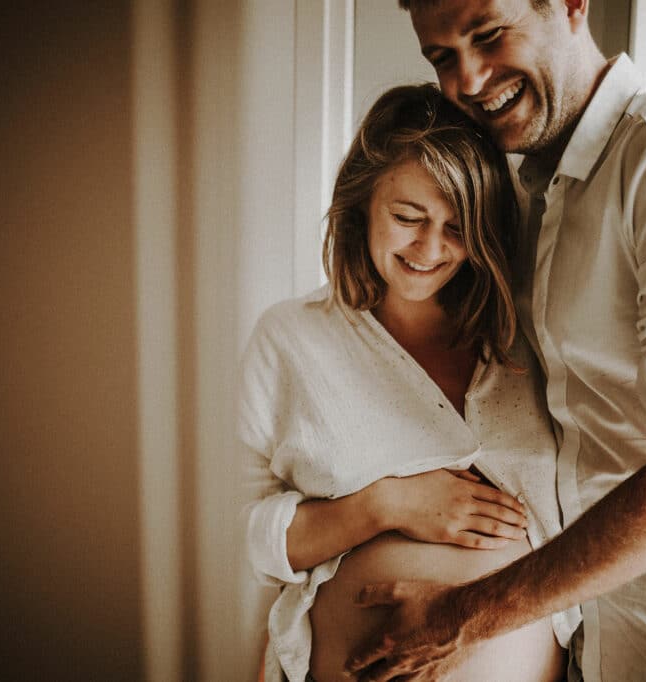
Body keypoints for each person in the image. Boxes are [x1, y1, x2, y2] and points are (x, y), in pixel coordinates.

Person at [345, 1, 646, 680]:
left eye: (488, 35)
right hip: (604, 632)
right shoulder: (530, 193)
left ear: (571, 5)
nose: (468, 80)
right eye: (442, 56)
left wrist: (460, 617)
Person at [240, 84, 579, 682]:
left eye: (457, 227)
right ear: (362, 203)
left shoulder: (530, 339)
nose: (429, 249)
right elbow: (243, 537)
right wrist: (384, 505)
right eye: (407, 218)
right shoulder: (290, 339)